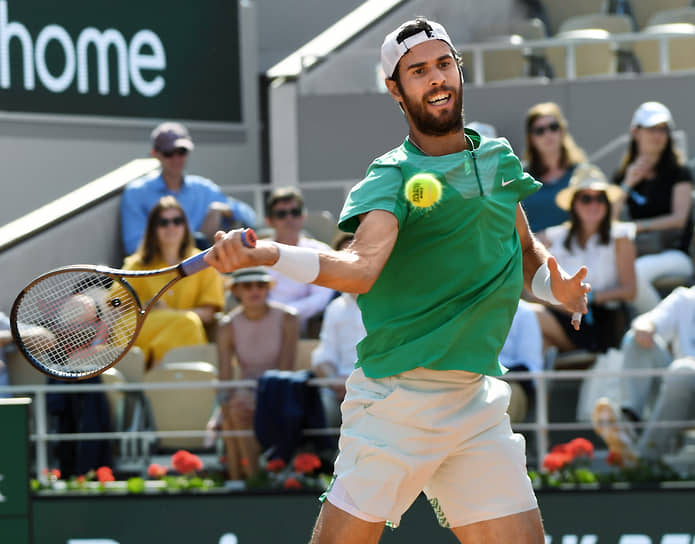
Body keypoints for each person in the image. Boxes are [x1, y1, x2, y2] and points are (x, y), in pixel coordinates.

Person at [203, 17, 589, 542]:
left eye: (443, 64)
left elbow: (523, 254)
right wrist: (269, 252)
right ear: (395, 89)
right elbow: (359, 269)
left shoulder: (498, 162)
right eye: (418, 71)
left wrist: (554, 289)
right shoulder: (391, 176)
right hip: (398, 400)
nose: (436, 78)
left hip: (476, 400)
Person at [530, 164, 637, 353]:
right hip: (561, 313)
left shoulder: (620, 236)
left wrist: (589, 298)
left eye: (600, 198)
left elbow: (629, 290)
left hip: (600, 319)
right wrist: (566, 301)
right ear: (574, 204)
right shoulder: (554, 237)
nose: (594, 205)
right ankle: (525, 380)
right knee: (537, 339)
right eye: (586, 198)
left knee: (528, 316)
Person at [592, 285, 695, 466]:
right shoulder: (685, 298)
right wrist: (645, 328)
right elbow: (647, 321)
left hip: (683, 380)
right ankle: (630, 423)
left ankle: (642, 457)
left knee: (682, 370)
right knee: (635, 340)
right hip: (676, 392)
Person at [212, 266, 299, 480]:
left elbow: (286, 367)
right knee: (231, 411)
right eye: (247, 285)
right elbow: (225, 372)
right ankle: (249, 478)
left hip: (279, 387)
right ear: (236, 291)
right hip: (245, 389)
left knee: (235, 411)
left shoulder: (288, 317)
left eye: (261, 285)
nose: (255, 290)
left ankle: (250, 479)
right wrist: (223, 403)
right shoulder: (227, 325)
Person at [120, 121, 257, 255]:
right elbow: (134, 247)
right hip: (162, 271)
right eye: (169, 152)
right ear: (155, 153)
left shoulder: (203, 188)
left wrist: (225, 210)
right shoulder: (137, 192)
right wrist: (175, 245)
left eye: (181, 151)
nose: (176, 158)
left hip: (205, 268)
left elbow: (250, 218)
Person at [122, 196, 225, 368]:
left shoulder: (203, 261)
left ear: (185, 226)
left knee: (188, 322)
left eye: (177, 221)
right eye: (163, 222)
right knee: (122, 325)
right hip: (144, 328)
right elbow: (115, 304)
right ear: (153, 228)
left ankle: (156, 373)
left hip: (186, 329)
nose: (171, 227)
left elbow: (208, 313)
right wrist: (144, 306)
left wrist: (171, 314)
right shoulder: (136, 264)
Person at [611, 101, 693, 314]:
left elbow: (679, 219)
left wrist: (636, 227)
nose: (658, 135)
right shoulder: (622, 177)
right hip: (634, 254)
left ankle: (655, 332)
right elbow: (607, 221)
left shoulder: (680, 172)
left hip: (676, 254)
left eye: (663, 129)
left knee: (634, 273)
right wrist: (627, 185)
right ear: (635, 132)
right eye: (652, 128)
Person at [311, 233, 366, 425]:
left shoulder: (389, 303)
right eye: (345, 257)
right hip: (340, 391)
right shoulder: (334, 309)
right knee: (320, 410)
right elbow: (324, 357)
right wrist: (335, 382)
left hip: (378, 389)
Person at [264, 187, 334, 335]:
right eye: (281, 214)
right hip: (261, 324)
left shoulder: (321, 251)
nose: (289, 218)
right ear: (270, 221)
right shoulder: (257, 252)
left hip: (307, 328)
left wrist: (288, 313)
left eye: (295, 212)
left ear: (303, 216)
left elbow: (322, 297)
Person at [522, 102, 588, 233]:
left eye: (553, 127)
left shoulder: (582, 172)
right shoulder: (520, 176)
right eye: (539, 130)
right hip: (532, 251)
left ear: (562, 131)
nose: (548, 134)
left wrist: (553, 235)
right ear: (531, 138)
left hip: (574, 251)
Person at [499, 300, 544, 423]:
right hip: (470, 381)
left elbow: (533, 369)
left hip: (511, 385)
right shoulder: (466, 307)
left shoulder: (524, 313)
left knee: (504, 396)